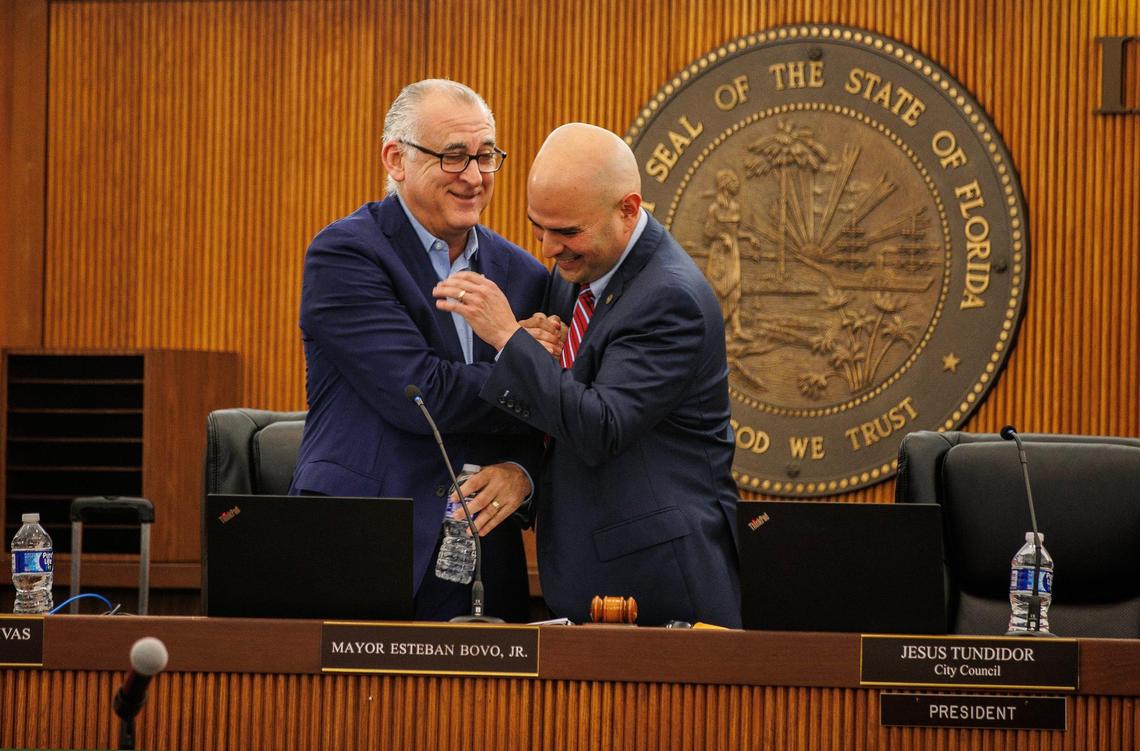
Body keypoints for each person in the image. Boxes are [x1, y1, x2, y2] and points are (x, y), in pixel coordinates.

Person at [433, 123, 742, 627]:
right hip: (586, 577)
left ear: (628, 208)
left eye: (568, 231)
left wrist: (508, 339)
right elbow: (558, 412)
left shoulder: (670, 297)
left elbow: (600, 426)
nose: (551, 249)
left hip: (661, 587)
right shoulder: (580, 268)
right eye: (539, 228)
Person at [289, 79, 553, 622]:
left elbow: (553, 411)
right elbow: (420, 393)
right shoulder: (346, 255)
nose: (475, 177)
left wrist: (523, 474)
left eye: (486, 157)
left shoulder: (524, 275)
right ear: (396, 159)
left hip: (480, 560)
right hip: (362, 544)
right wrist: (521, 354)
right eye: (454, 157)